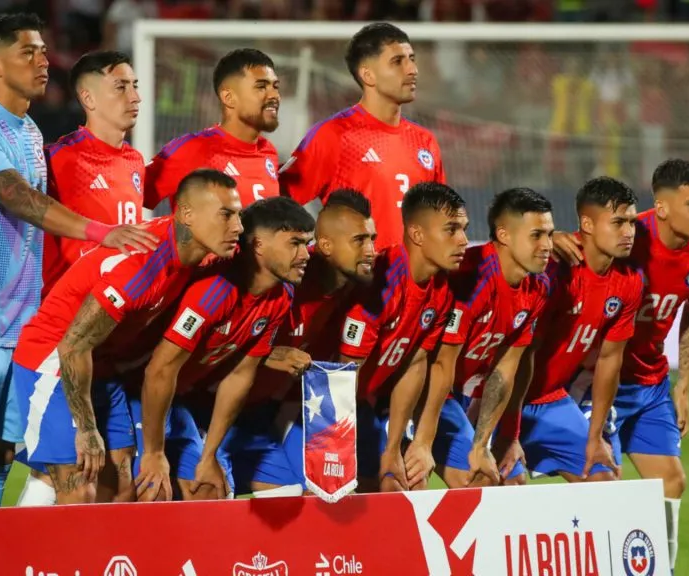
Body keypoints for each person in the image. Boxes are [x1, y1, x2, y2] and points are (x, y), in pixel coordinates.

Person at [0, 15, 155, 576]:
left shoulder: (30, 133)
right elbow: (11, 196)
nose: (44, 61)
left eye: (44, 51)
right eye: (29, 52)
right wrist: (98, 232)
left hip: (24, 327)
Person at [9, 169, 242, 506]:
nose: (237, 226)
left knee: (120, 490)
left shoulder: (202, 255)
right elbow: (73, 346)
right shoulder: (142, 265)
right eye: (226, 214)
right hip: (53, 360)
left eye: (238, 214)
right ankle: (17, 558)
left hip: (103, 368)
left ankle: (92, 559)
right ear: (187, 214)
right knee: (78, 486)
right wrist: (87, 429)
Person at [552, 159, 689, 574]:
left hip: (649, 382)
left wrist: (683, 384)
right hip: (594, 379)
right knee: (598, 484)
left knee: (671, 481)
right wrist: (557, 239)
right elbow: (584, 242)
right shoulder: (630, 236)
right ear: (662, 208)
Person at [135, 197, 315, 502]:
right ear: (258, 245)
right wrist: (154, 453)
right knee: (146, 488)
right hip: (140, 389)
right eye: (295, 243)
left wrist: (209, 456)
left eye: (307, 244)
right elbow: (159, 369)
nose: (305, 255)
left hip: (185, 398)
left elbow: (240, 376)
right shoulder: (214, 289)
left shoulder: (281, 295)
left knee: (209, 487)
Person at [494, 177, 644, 486]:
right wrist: (511, 432)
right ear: (587, 223)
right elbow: (522, 354)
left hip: (550, 400)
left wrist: (595, 435)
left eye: (631, 222)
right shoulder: (554, 268)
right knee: (508, 489)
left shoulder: (629, 281)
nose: (629, 232)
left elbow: (610, 360)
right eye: (618, 223)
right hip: (501, 400)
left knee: (604, 479)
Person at [406, 188, 554, 489]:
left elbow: (506, 369)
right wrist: (423, 441)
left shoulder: (538, 287)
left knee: (505, 482)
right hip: (418, 389)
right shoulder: (472, 278)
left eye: (550, 235)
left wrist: (485, 443)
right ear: (504, 234)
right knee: (415, 482)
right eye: (536, 235)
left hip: (457, 395)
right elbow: (441, 364)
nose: (547, 246)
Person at [245, 189, 378, 495]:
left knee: (327, 493)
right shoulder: (287, 280)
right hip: (229, 406)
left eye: (373, 238)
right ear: (326, 245)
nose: (371, 250)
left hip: (292, 406)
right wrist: (266, 354)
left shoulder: (355, 285)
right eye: (360, 240)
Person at [339, 182, 467, 492]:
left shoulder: (442, 288)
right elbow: (344, 375)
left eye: (464, 229)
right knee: (340, 491)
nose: (463, 240)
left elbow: (416, 362)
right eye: (451, 230)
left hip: (374, 399)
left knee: (404, 480)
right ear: (417, 234)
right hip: (330, 405)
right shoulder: (381, 283)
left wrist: (394, 448)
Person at [280, 22, 446, 249]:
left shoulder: (425, 141)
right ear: (368, 75)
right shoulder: (335, 135)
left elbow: (439, 218)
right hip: (361, 282)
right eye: (398, 62)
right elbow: (277, 205)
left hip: (414, 281)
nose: (412, 70)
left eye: (412, 59)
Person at [144, 48, 281, 211]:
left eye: (275, 86)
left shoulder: (268, 152)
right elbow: (133, 195)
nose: (274, 95)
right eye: (261, 87)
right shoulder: (193, 149)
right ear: (228, 97)